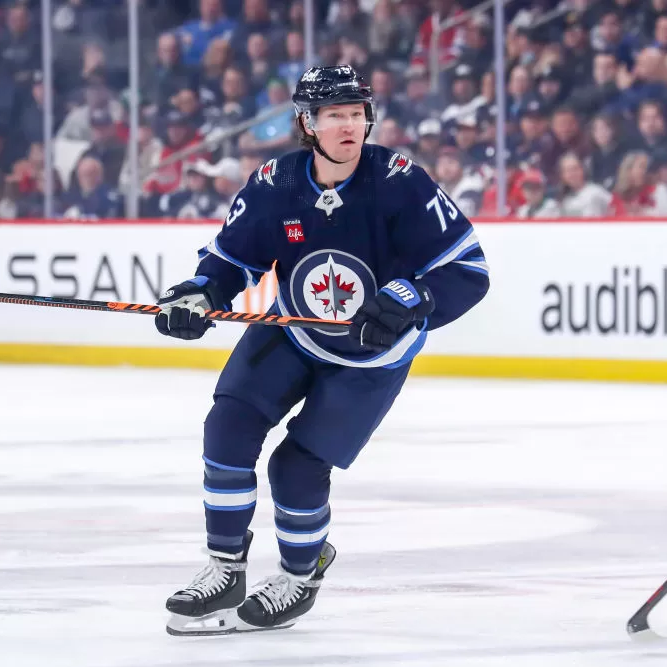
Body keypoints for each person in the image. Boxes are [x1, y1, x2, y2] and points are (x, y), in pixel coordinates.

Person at [155, 65, 490, 636]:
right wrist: (201, 293)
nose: (349, 125)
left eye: (357, 113)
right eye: (334, 114)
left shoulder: (401, 182)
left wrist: (413, 297)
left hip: (370, 357)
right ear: (308, 123)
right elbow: (233, 259)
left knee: (297, 466)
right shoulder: (274, 183)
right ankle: (225, 567)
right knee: (229, 426)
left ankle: (299, 575)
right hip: (291, 331)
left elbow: (468, 270)